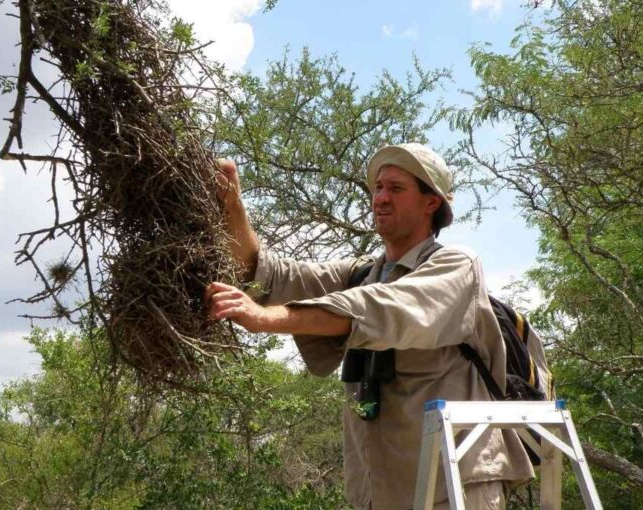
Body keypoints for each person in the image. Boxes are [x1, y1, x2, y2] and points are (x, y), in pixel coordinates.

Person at [205, 143, 534, 510]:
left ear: (432, 203)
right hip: (378, 492)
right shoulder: (361, 274)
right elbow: (270, 275)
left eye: (396, 188)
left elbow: (382, 309)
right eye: (378, 187)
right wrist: (231, 204)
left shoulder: (457, 266)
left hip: (452, 489)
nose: (380, 198)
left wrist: (268, 319)